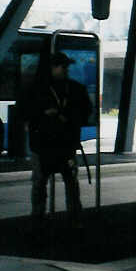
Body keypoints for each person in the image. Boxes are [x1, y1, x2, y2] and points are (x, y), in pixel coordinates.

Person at [26, 52, 91, 227]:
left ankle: (40, 217)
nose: (66, 70)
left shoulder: (36, 90)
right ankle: (71, 216)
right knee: (67, 181)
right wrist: (66, 118)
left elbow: (86, 113)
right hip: (57, 144)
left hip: (47, 144)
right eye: (63, 66)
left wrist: (56, 116)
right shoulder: (75, 89)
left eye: (66, 67)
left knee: (42, 182)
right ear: (52, 68)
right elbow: (85, 112)